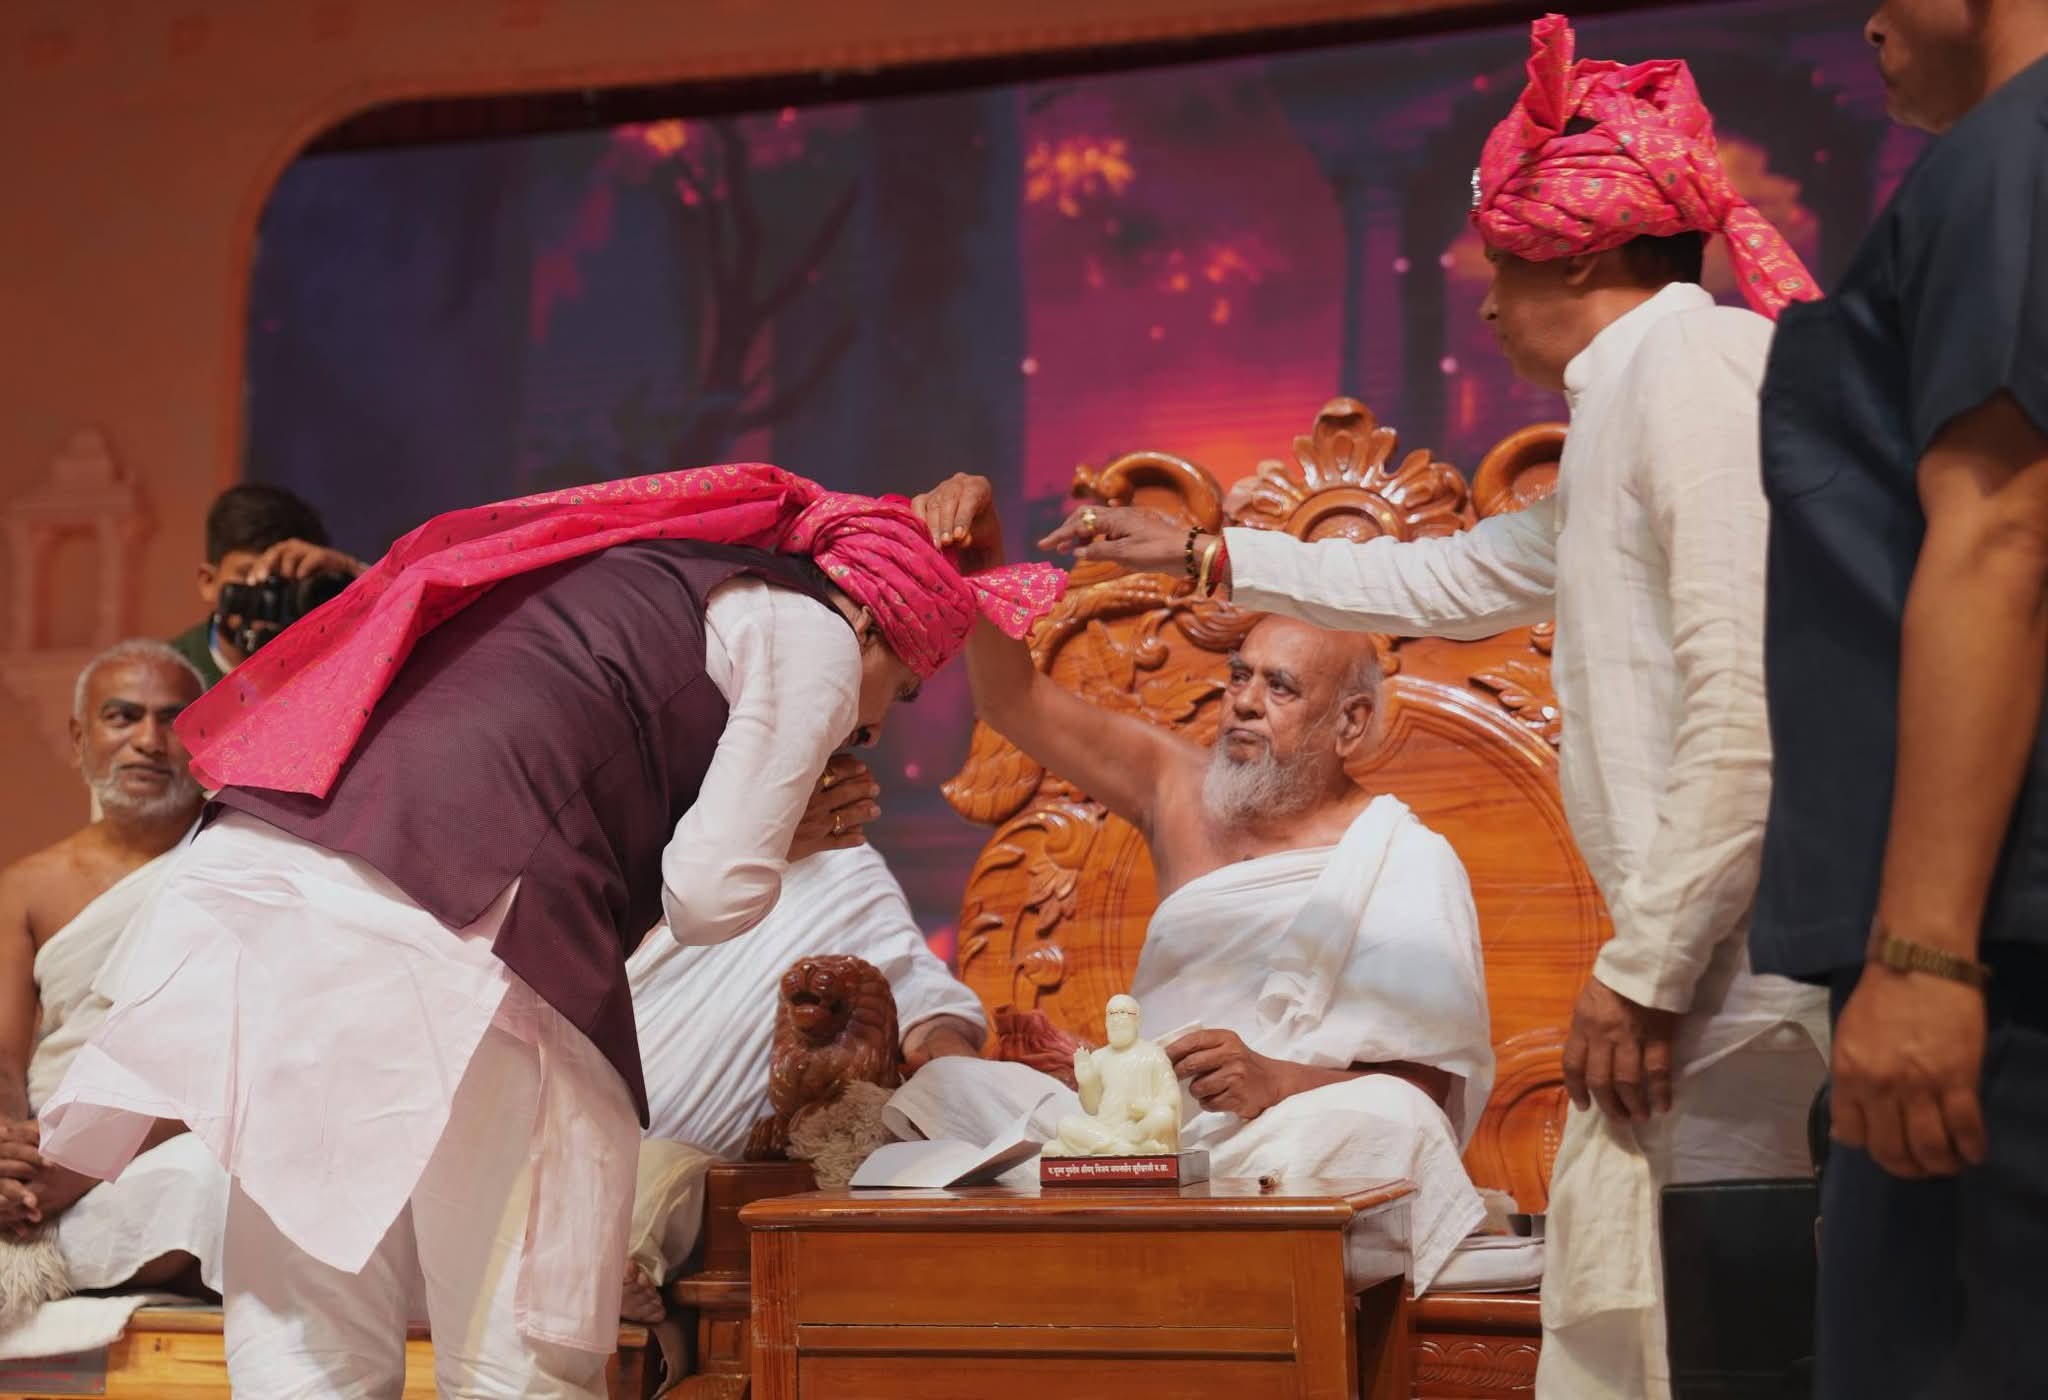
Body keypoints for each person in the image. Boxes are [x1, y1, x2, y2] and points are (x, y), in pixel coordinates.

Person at [1029, 17, 1831, 1395]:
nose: (1481, 296)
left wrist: (1640, 974)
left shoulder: (1698, 374)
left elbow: (1744, 707)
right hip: (1696, 981)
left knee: (1737, 1338)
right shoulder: (1632, 399)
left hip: (1738, 981)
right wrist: (1206, 553)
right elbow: (1449, 577)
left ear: (1572, 254)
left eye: (1497, 259)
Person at [37, 465, 1063, 1398]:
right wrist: (786, 837)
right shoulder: (816, 633)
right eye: (902, 691)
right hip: (454, 929)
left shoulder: (653, 572)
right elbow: (709, 891)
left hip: (278, 882)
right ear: (875, 625)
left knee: (308, 1341)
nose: (873, 729)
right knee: (514, 1355)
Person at [896, 475, 1494, 1293]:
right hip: (1133, 1141)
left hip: (1280, 1140)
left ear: (1350, 722)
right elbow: (1011, 699)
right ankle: (1136, 1237)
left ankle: (1125, 1250)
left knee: (1398, 1124)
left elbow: (1429, 1086)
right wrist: (986, 566)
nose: (1243, 702)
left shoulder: (1405, 858)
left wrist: (1275, 1080)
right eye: (1240, 676)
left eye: (1279, 687)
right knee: (945, 1087)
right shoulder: (1175, 788)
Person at [1752, 2, 2048, 1393]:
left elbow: (2001, 532)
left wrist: (1925, 954)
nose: (1866, 20)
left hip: (2000, 960)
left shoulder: (2014, 155)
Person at [618, 754, 985, 1323]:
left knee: (659, 1172)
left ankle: (612, 1268)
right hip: (553, 1121)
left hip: (685, 1180)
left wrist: (958, 1063)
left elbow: (916, 993)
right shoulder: (653, 830)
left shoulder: (844, 871)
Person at [0, 641, 223, 1335]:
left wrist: (88, 1158)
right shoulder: (28, 885)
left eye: (175, 720)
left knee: (207, 1187)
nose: (150, 741)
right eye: (122, 717)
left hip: (184, 1135)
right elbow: (3, 1059)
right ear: (79, 739)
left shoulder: (249, 863)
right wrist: (10, 1156)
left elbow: (248, 1058)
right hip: (47, 1149)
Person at [169, 483, 366, 687]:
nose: (268, 595)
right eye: (248, 575)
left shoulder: (340, 665)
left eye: (283, 581)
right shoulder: (169, 680)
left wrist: (354, 574)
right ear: (208, 582)